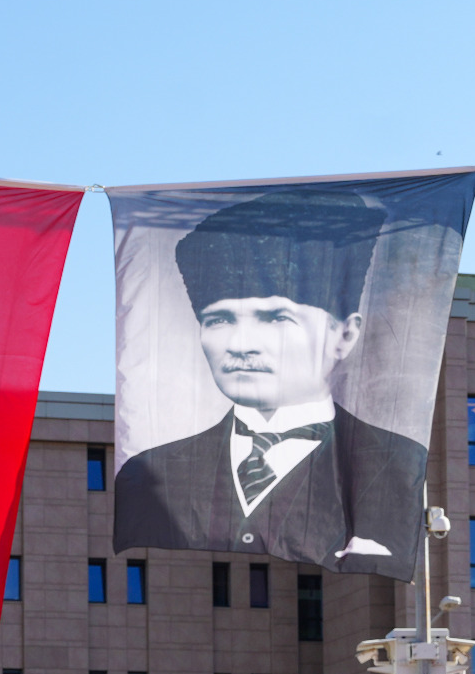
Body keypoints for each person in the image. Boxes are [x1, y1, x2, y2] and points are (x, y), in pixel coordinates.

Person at [114, 190, 427, 572]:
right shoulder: (152, 473)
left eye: (277, 319)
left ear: (344, 335)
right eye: (219, 319)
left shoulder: (399, 465)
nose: (241, 345)